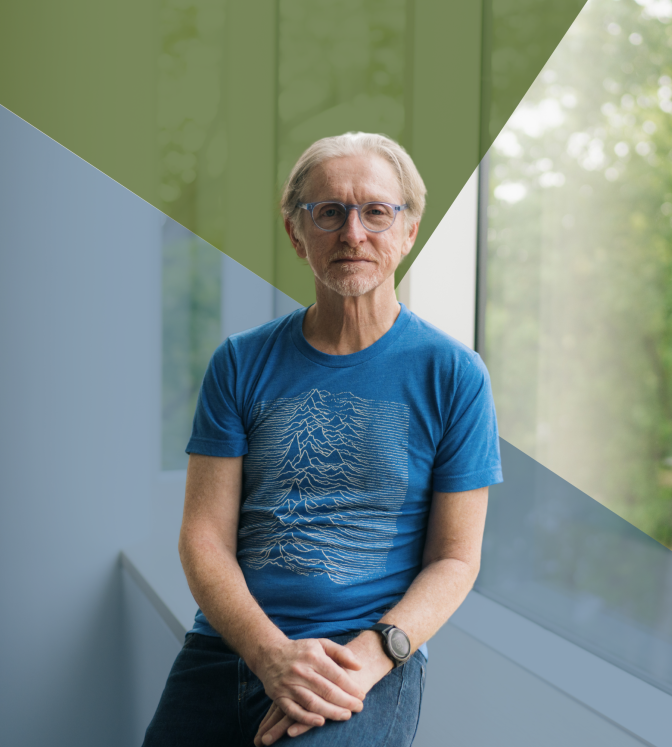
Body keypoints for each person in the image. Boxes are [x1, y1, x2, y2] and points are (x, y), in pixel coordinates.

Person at [142, 132, 503, 747]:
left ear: (409, 231)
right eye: (329, 212)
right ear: (296, 233)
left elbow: (455, 558)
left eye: (376, 212)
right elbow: (203, 538)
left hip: (360, 655)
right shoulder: (240, 363)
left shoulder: (454, 374)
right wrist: (270, 655)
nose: (353, 234)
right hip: (229, 645)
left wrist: (370, 656)